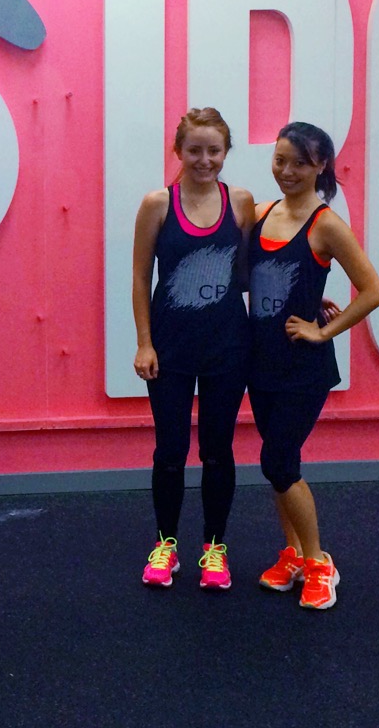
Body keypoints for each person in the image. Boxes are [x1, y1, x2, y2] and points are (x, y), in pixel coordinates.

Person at [248, 121, 379, 610]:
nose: (287, 171)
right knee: (279, 466)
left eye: (300, 163)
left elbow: (373, 291)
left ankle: (319, 562)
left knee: (278, 462)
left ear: (320, 166)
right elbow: (256, 279)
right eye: (280, 160)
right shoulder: (262, 214)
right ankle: (293, 554)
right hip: (260, 363)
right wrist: (307, 293)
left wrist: (323, 331)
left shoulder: (326, 224)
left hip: (303, 369)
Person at [132, 107, 254, 590]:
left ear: (226, 152)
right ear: (178, 151)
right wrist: (144, 343)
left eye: (214, 151)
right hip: (171, 349)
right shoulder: (157, 204)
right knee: (170, 451)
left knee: (218, 451)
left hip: (228, 346)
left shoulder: (241, 202)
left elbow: (250, 272)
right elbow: (140, 277)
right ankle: (166, 545)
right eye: (195, 150)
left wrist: (308, 298)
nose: (205, 160)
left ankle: (214, 548)